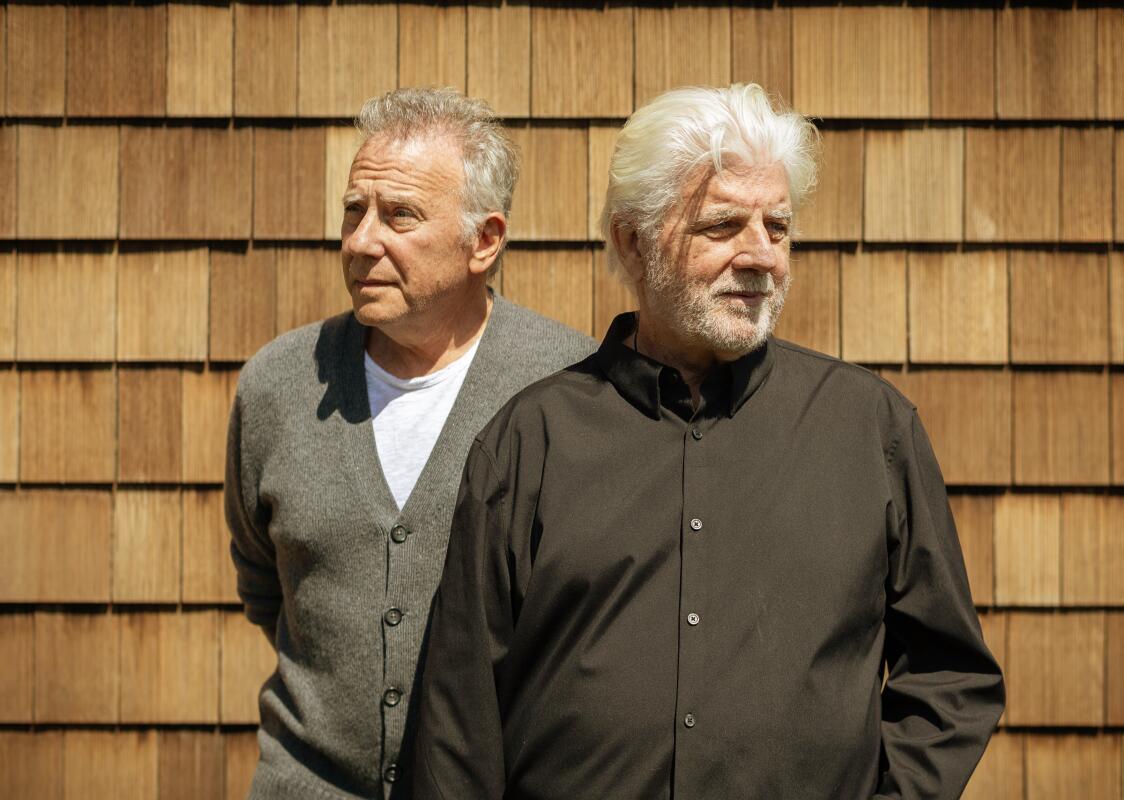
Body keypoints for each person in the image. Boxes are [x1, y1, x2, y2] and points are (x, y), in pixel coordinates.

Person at [412, 83, 1004, 800]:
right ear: (634, 241)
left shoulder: (872, 430)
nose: (762, 257)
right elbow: (455, 720)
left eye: (778, 228)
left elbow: (952, 679)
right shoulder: (529, 441)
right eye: (724, 226)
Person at [225, 87, 595, 799]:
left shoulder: (567, 389)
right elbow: (263, 580)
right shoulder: (277, 385)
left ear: (483, 241)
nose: (362, 241)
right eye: (353, 211)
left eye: (399, 216)